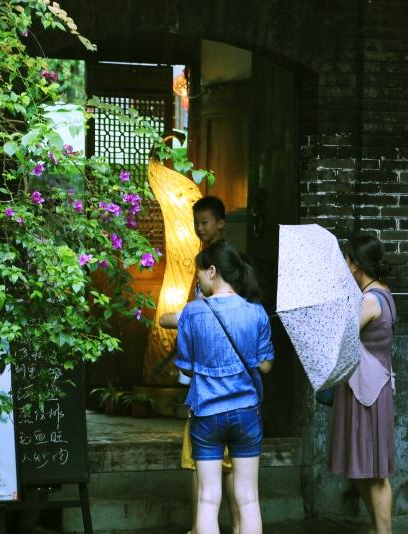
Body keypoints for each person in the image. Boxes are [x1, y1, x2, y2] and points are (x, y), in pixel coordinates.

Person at [174, 240, 274, 534]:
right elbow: (266, 364)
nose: (199, 279)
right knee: (248, 498)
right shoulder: (256, 312)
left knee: (207, 499)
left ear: (213, 271)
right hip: (246, 413)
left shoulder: (192, 313)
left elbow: (185, 367)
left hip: (207, 412)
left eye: (200, 273)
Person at [158, 195, 240, 534]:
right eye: (197, 223)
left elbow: (175, 317)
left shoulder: (216, 262)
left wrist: (188, 319)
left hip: (208, 381)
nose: (200, 228)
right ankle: (238, 526)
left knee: (201, 463)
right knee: (236, 465)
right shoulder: (226, 267)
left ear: (221, 222)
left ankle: (198, 528)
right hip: (237, 392)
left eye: (205, 222)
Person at [330, 234, 396, 534]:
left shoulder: (370, 300)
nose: (345, 265)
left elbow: (340, 338)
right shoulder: (381, 293)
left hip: (367, 389)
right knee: (360, 467)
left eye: (347, 260)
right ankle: (377, 528)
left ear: (356, 264)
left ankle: (384, 532)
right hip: (365, 386)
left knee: (374, 471)